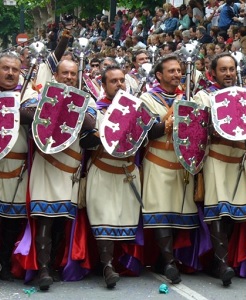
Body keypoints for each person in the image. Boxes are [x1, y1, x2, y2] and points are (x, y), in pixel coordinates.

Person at [29, 59, 96, 291]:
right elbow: (26, 114)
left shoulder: (87, 101)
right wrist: (54, 104)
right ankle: (44, 269)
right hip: (46, 166)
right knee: (45, 218)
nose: (69, 77)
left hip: (69, 170)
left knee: (61, 222)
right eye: (64, 73)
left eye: (73, 74)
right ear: (55, 75)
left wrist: (70, 104)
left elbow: (90, 124)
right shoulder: (42, 95)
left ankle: (54, 265)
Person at [193, 53, 246, 286]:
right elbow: (196, 128)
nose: (229, 74)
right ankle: (222, 264)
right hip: (216, 159)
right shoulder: (204, 96)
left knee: (235, 213)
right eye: (224, 70)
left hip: (240, 159)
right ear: (213, 73)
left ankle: (220, 261)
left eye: (232, 69)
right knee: (218, 212)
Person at [80, 65, 142, 289]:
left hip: (127, 173)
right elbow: (84, 142)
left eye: (122, 80)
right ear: (104, 85)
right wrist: (105, 132)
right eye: (113, 81)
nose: (119, 85)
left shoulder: (136, 109)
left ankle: (119, 262)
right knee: (103, 220)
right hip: (102, 169)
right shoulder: (95, 111)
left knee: (124, 221)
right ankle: (107, 267)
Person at [139, 55, 199, 284]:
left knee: (178, 214)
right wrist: (166, 125)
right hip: (157, 161)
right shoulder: (147, 98)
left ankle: (164, 260)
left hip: (181, 164)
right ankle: (170, 263)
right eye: (171, 71)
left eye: (178, 70)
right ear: (159, 76)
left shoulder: (188, 96)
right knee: (160, 212)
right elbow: (145, 130)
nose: (177, 74)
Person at [0, 53, 38, 281]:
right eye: (5, 68)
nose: (10, 73)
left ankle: (5, 263)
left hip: (17, 171)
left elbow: (35, 115)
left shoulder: (28, 94)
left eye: (15, 69)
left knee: (10, 223)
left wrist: (9, 107)